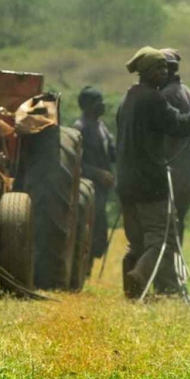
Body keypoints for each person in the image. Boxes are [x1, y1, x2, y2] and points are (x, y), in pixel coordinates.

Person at [116, 46, 190, 299]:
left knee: (137, 242)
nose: (165, 73)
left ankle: (133, 293)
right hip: (149, 181)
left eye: (165, 68)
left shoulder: (128, 98)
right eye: (160, 68)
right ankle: (139, 276)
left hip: (126, 182)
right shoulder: (153, 99)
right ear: (147, 72)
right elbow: (183, 124)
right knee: (163, 239)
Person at [158, 49, 190, 242]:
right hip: (188, 173)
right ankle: (175, 270)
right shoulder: (187, 91)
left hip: (172, 172)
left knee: (164, 229)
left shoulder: (166, 95)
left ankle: (166, 271)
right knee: (177, 224)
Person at [73, 86, 116, 260]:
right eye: (98, 101)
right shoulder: (80, 128)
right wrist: (98, 174)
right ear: (88, 105)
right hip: (86, 187)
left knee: (99, 227)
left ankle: (91, 259)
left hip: (101, 189)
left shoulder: (101, 127)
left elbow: (112, 153)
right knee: (88, 226)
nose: (103, 104)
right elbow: (74, 162)